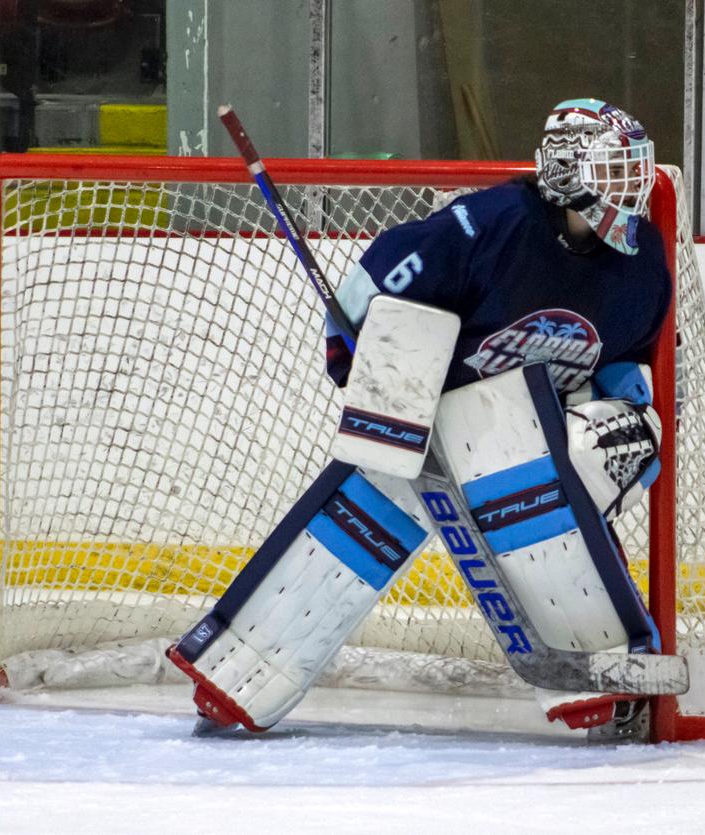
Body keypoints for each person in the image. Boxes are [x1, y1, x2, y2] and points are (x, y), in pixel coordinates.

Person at [166, 98, 675, 738]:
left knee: (580, 464)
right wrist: (358, 352)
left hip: (529, 431)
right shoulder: (489, 225)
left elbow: (630, 353)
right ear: (567, 170)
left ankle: (601, 663)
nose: (631, 186)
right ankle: (240, 665)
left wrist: (629, 413)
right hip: (434, 417)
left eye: (633, 169)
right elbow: (385, 274)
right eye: (615, 169)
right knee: (366, 511)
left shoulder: (640, 260)